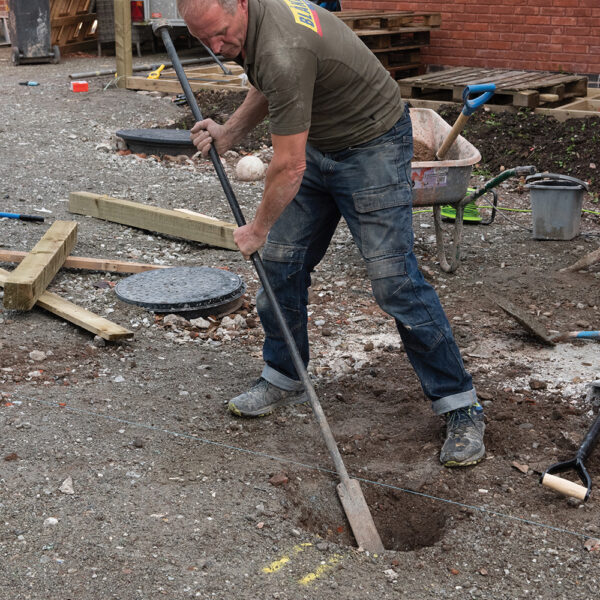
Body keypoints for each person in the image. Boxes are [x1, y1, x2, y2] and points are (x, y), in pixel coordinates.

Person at [177, 0, 485, 467]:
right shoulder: (255, 27)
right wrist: (230, 131)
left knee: (394, 283)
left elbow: (287, 163)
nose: (217, 47)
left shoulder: (282, 44)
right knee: (281, 264)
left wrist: (257, 229)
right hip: (321, 143)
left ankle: (461, 406)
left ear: (240, 4)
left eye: (220, 33)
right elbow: (273, 86)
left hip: (374, 147)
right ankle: (285, 375)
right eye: (204, 40)